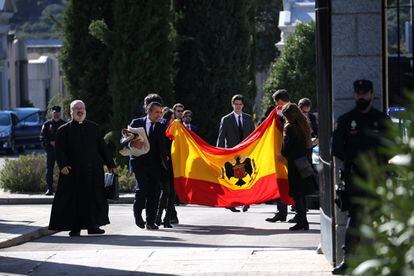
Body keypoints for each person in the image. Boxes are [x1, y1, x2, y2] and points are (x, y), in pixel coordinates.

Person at [331, 79, 388, 274]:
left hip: (377, 178)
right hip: (354, 179)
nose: (361, 96)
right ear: (355, 95)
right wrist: (354, 162)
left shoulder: (381, 120)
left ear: (371, 94)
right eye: (358, 93)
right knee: (354, 221)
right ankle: (348, 261)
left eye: (365, 93)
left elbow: (391, 147)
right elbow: (337, 149)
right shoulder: (346, 120)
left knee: (379, 221)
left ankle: (382, 262)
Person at [48, 100, 116, 237]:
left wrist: (111, 165)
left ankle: (93, 226)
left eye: (81, 108)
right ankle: (75, 228)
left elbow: (102, 148)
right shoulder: (63, 130)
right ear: (71, 112)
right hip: (73, 173)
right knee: (75, 201)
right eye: (76, 108)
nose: (79, 110)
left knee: (95, 199)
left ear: (85, 110)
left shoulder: (94, 127)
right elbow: (59, 150)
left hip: (93, 172)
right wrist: (63, 165)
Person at [130, 100, 168, 230]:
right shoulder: (137, 123)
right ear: (148, 111)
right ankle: (137, 213)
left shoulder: (162, 125)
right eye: (157, 112)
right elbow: (124, 138)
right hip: (139, 162)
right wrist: (132, 143)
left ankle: (150, 221)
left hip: (155, 163)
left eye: (161, 112)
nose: (159, 115)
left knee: (154, 191)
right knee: (142, 188)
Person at [216, 94, 255, 212]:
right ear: (232, 105)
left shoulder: (248, 119)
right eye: (236, 104)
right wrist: (219, 153)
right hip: (231, 154)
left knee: (246, 178)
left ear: (243, 105)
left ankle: (246, 201)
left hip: (246, 154)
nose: (238, 106)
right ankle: (231, 203)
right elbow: (221, 137)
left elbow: (254, 136)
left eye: (240, 104)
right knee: (232, 179)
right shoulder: (226, 119)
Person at [280, 103, 316, 231]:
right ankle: (303, 221)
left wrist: (282, 151)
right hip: (304, 162)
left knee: (297, 194)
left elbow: (286, 148)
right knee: (303, 194)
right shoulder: (304, 124)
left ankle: (302, 221)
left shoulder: (290, 127)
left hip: (295, 163)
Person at [266, 89, 291, 222]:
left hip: (288, 154)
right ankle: (282, 212)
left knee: (291, 184)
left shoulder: (288, 111)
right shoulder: (281, 112)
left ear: (280, 100)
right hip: (284, 154)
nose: (276, 105)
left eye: (276, 102)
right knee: (283, 182)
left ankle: (299, 215)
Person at [155, 108, 177, 228]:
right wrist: (165, 157)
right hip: (165, 165)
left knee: (172, 192)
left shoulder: (176, 130)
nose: (174, 120)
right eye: (172, 118)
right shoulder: (162, 128)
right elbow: (161, 145)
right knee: (166, 191)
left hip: (173, 165)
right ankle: (158, 218)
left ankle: (167, 219)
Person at [40, 105, 66, 195]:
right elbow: (42, 137)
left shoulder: (64, 124)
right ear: (52, 113)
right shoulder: (47, 125)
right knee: (49, 171)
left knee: (64, 170)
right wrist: (50, 142)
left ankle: (63, 189)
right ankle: (49, 189)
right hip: (51, 151)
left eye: (58, 113)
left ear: (60, 113)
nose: (56, 115)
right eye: (55, 113)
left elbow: (68, 138)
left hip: (62, 152)